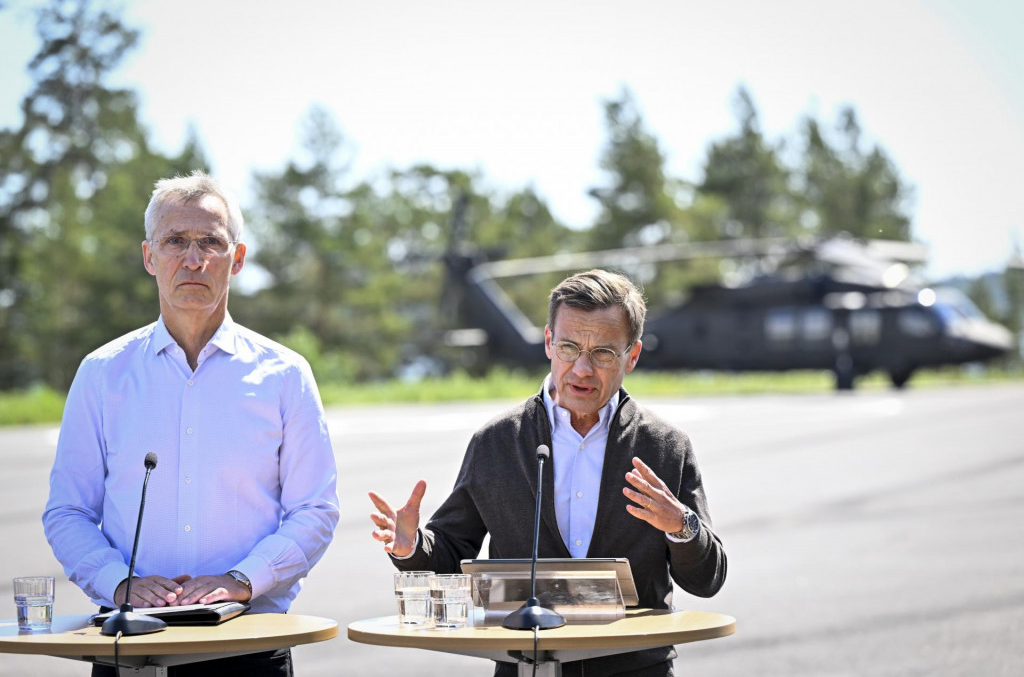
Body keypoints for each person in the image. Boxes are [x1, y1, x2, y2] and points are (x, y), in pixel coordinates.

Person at [43, 171, 340, 677]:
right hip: (131, 644)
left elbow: (314, 510)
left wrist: (243, 579)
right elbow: (68, 511)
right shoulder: (101, 374)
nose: (193, 259)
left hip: (248, 645)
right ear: (148, 257)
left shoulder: (286, 375)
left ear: (237, 259)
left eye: (211, 242)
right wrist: (118, 582)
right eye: (175, 241)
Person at [369, 269, 727, 677]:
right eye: (569, 348)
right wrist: (411, 545)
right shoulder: (496, 442)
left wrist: (681, 526)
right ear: (547, 343)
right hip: (526, 667)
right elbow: (450, 552)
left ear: (633, 355)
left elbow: (708, 579)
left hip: (635, 669)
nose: (582, 370)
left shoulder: (665, 447)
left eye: (604, 353)